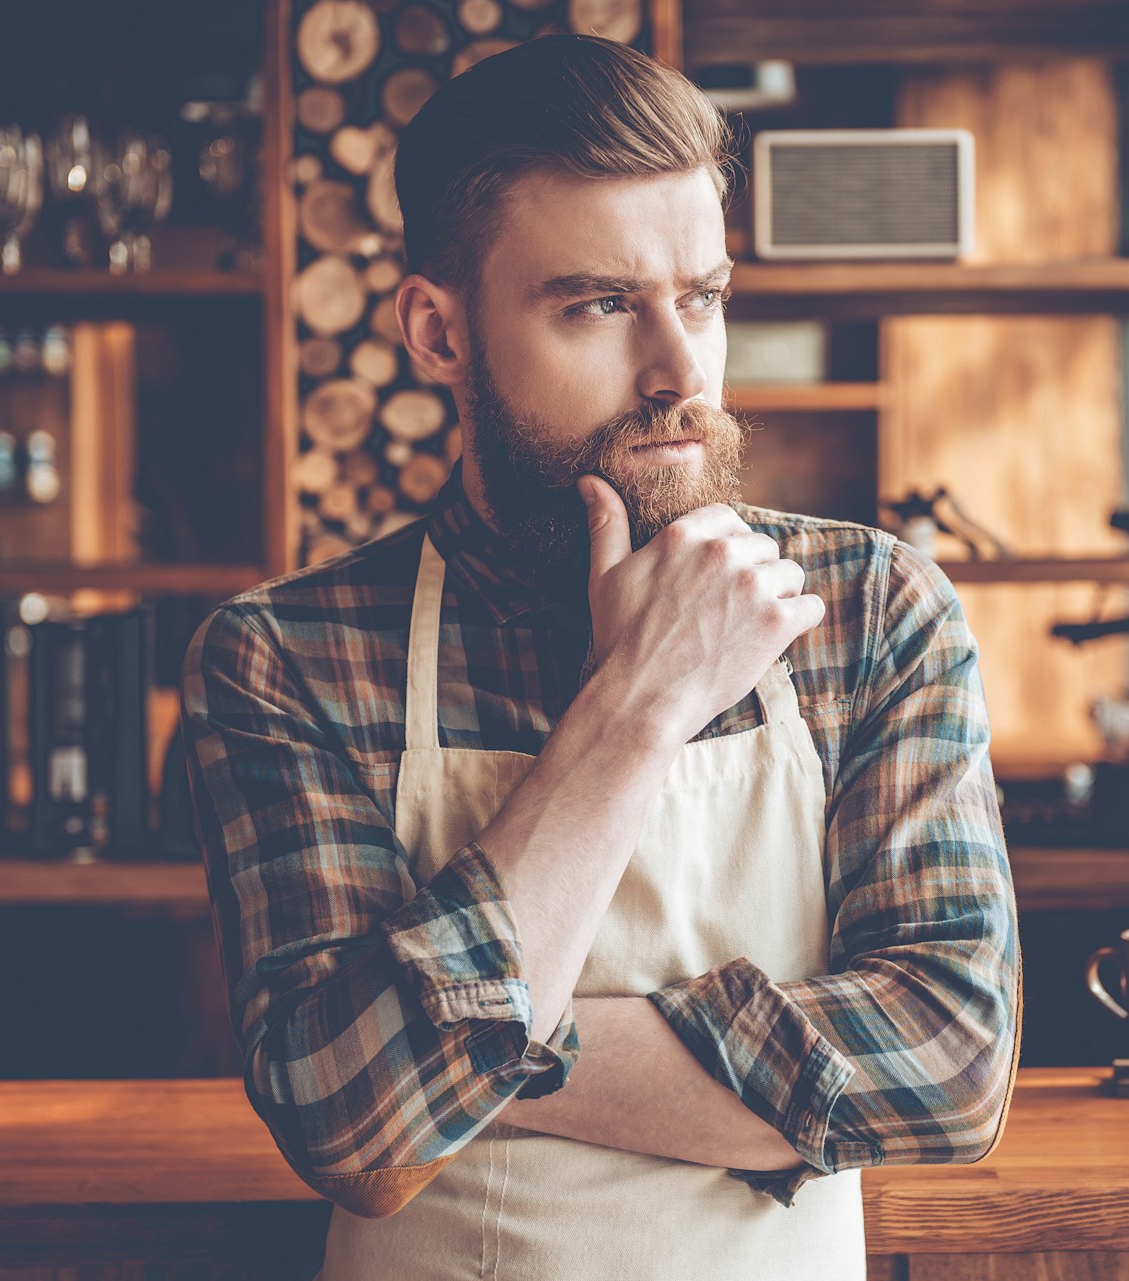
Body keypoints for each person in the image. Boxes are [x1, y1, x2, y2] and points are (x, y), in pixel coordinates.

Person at [182, 34, 1019, 1281]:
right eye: (602, 305)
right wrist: (641, 702)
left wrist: (489, 1050)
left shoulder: (872, 608)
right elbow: (353, 1129)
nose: (681, 369)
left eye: (704, 295)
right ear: (439, 330)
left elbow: (949, 1070)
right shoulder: (288, 659)